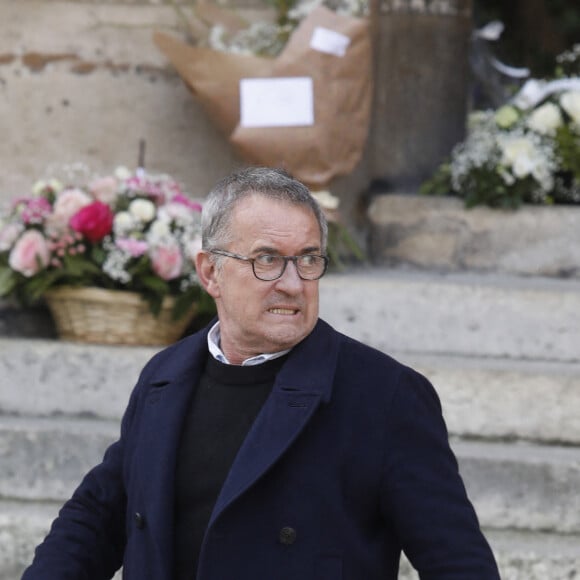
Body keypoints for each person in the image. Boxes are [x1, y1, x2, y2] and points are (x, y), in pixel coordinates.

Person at [23, 166, 500, 579]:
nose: (292, 284)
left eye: (309, 259)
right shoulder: (164, 377)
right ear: (210, 272)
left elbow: (459, 565)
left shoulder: (385, 396)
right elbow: (97, 517)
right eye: (268, 260)